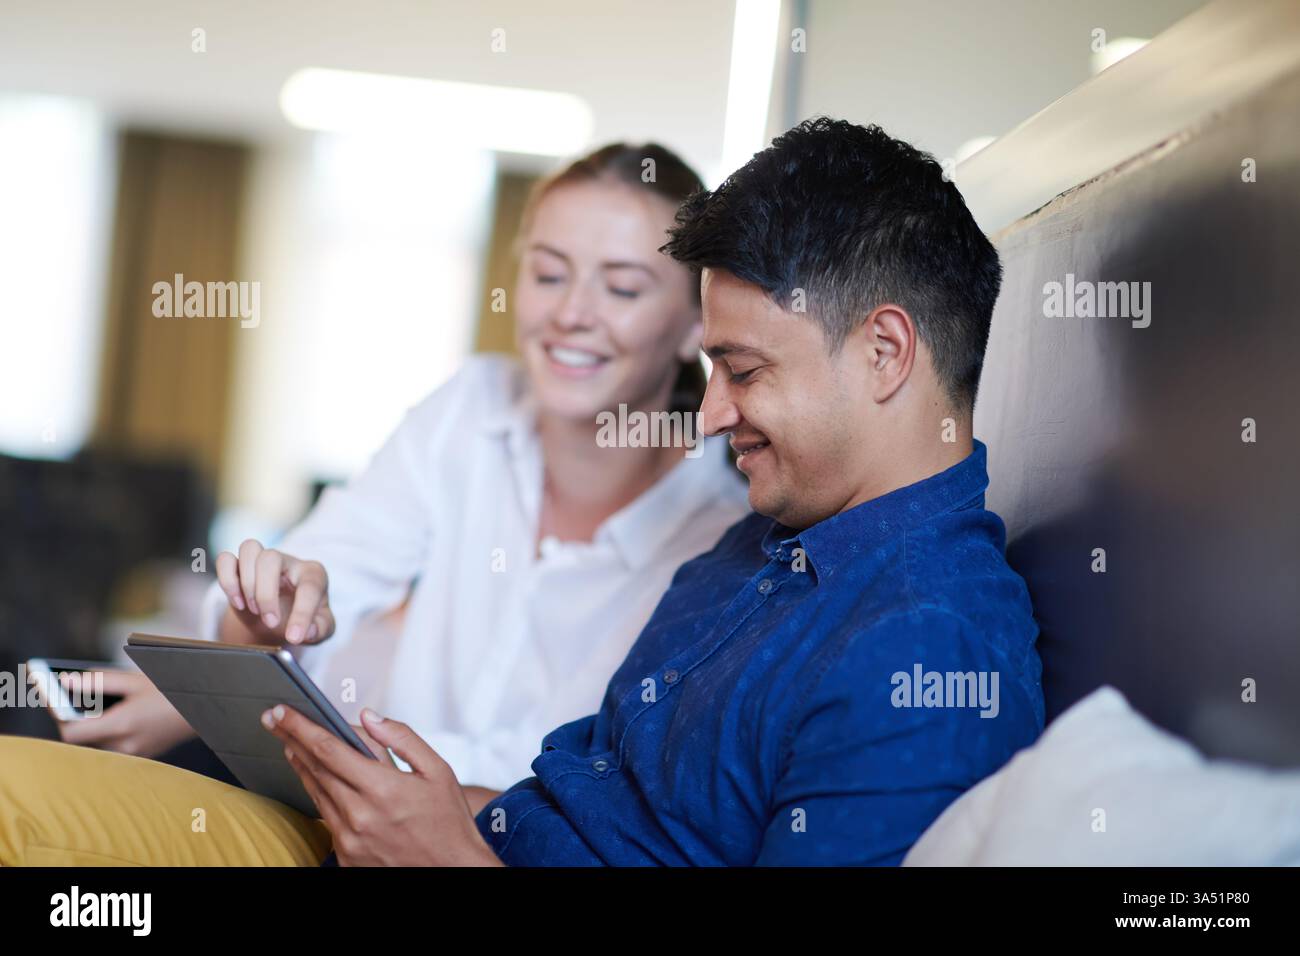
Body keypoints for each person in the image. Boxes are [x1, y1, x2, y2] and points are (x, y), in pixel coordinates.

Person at [0, 118, 1044, 866]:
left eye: (746, 370)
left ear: (885, 352)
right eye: (547, 272)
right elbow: (581, 794)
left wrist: (447, 850)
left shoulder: (929, 640)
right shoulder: (770, 546)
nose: (713, 416)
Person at [45, 142, 749, 793]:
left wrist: (231, 716)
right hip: (345, 802)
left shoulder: (719, 532)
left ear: (696, 322)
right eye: (547, 273)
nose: (570, 312)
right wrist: (265, 625)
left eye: (622, 289)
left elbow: (558, 770)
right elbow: (311, 587)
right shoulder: (469, 409)